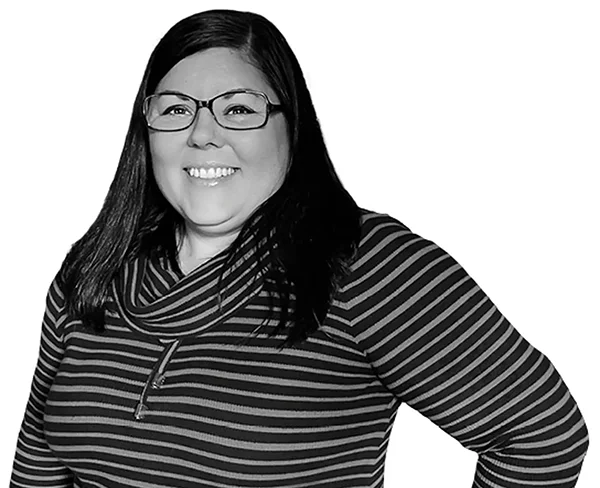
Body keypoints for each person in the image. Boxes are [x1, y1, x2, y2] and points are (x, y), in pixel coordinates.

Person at [10, 8, 589, 488]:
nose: (202, 133)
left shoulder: (367, 263)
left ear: (292, 127)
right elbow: (39, 455)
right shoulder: (95, 266)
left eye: (239, 108)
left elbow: (541, 435)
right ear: (147, 128)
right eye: (175, 109)